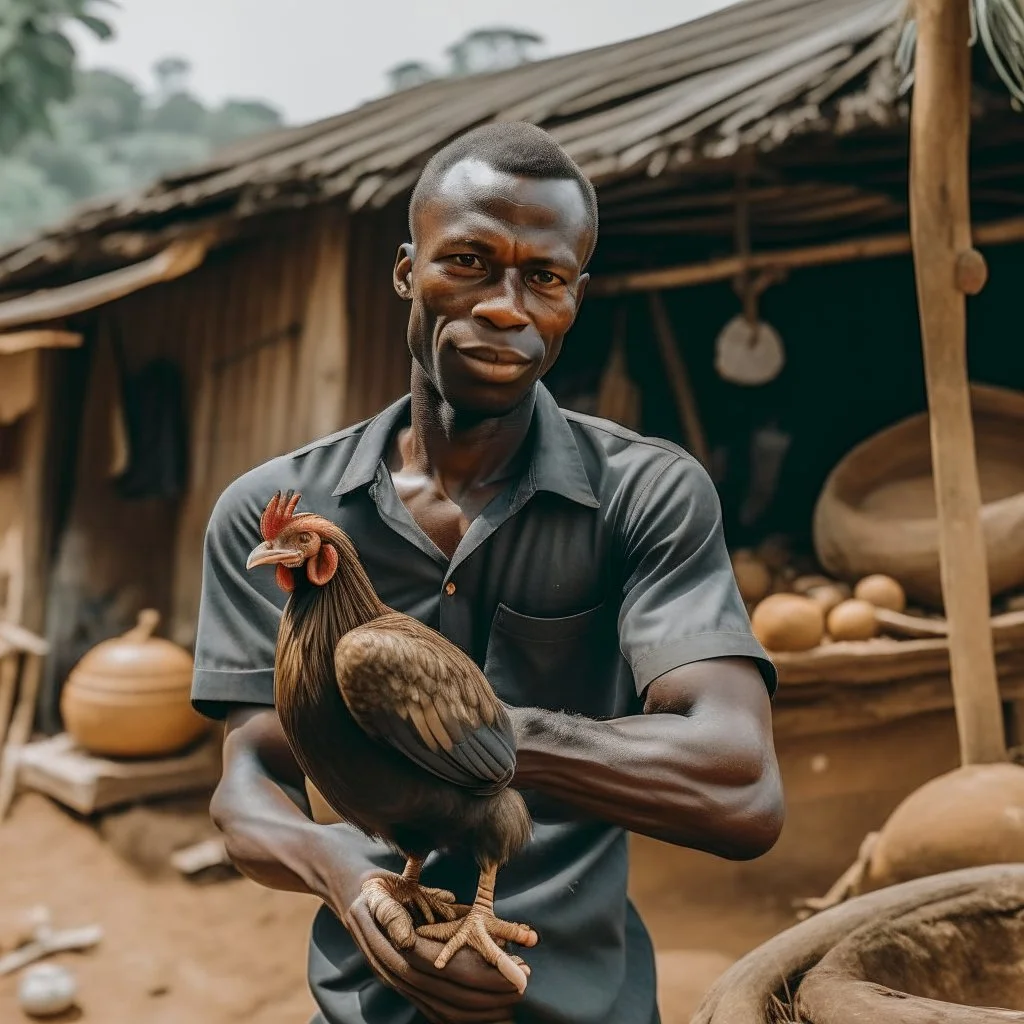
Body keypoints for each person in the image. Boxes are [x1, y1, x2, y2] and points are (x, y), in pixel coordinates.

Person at [193, 120, 783, 1024]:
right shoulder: (279, 509)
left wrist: (461, 725)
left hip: (582, 996)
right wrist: (349, 876)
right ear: (407, 271)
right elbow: (248, 783)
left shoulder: (646, 494)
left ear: (573, 300)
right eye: (468, 261)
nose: (506, 306)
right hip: (368, 993)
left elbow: (739, 787)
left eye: (543, 276)